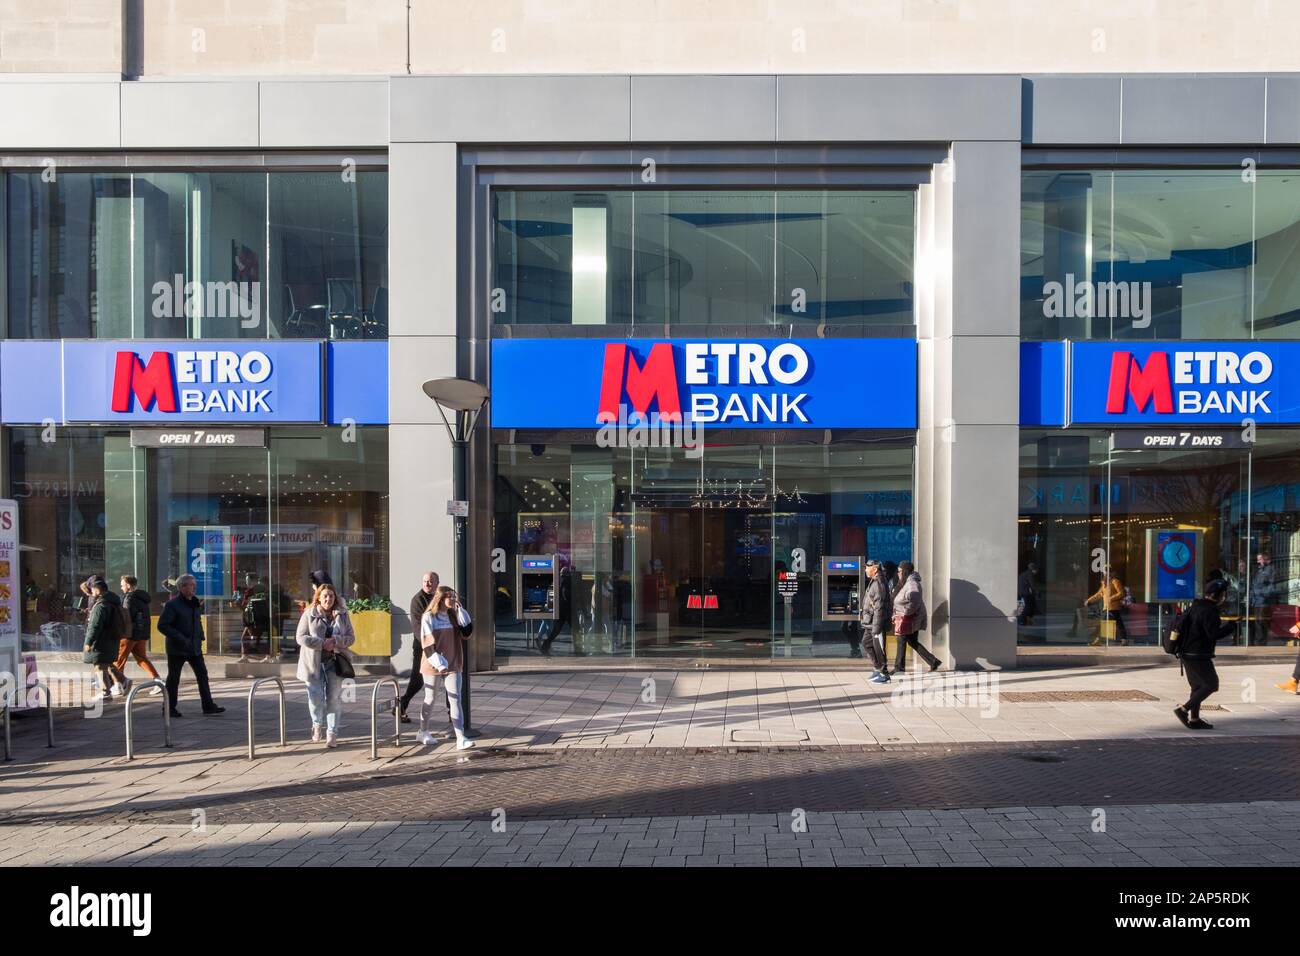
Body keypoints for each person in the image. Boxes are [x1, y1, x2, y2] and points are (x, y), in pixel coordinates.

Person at [295, 582, 356, 748]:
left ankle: (332, 733)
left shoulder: (342, 614)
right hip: (313, 663)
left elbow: (351, 637)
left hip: (335, 662)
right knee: (315, 698)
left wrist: (337, 641)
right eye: (325, 596)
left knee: (333, 699)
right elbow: (300, 638)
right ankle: (316, 724)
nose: (328, 598)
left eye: (331, 595)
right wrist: (322, 643)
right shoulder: (309, 614)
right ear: (319, 598)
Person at [157, 574, 225, 718]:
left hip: (194, 647)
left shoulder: (194, 603)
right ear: (181, 587)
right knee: (173, 679)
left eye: (194, 585)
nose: (193, 588)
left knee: (202, 675)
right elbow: (163, 626)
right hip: (177, 649)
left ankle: (208, 706)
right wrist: (180, 638)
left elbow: (197, 621)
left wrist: (201, 635)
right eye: (189, 585)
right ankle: (169, 708)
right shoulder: (172, 605)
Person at [1172, 579, 1235, 730]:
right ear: (1218, 596)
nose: (1224, 597)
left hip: (1186, 652)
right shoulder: (1210, 610)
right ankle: (1183, 710)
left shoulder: (1196, 606)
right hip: (1198, 654)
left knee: (1197, 686)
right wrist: (1231, 627)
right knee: (1211, 684)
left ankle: (1194, 719)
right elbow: (1213, 634)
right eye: (1223, 594)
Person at [417, 585, 475, 750]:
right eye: (450, 597)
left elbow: (467, 633)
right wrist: (439, 663)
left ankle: (460, 737)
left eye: (455, 596)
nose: (454, 599)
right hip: (432, 663)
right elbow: (427, 644)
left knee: (455, 699)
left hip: (453, 662)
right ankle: (423, 731)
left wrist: (461, 613)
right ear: (441, 599)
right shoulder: (428, 617)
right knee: (430, 698)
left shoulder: (453, 615)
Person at [396, 571, 439, 722]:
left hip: (440, 645)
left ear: (437, 583)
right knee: (417, 680)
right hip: (423, 646)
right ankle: (401, 705)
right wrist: (430, 645)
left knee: (449, 679)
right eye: (425, 581)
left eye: (430, 581)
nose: (427, 584)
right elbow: (418, 627)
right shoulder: (418, 600)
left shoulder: (438, 598)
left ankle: (451, 714)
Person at [82, 576, 130, 702]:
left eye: (92, 588)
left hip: (101, 641)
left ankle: (105, 692)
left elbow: (95, 626)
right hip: (112, 638)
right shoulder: (113, 601)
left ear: (97, 588)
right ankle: (124, 681)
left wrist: (88, 642)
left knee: (99, 666)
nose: (91, 592)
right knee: (107, 663)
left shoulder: (101, 605)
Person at [114, 576, 162, 696]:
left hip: (129, 635)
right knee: (141, 659)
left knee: (118, 660)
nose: (121, 587)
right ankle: (158, 681)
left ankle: (117, 685)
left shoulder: (129, 599)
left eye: (122, 585)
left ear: (128, 585)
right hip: (141, 634)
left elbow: (125, 618)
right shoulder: (142, 598)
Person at [893, 561, 941, 673]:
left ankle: (899, 668)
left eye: (899, 571)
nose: (898, 573)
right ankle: (933, 661)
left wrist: (905, 612)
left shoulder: (912, 584)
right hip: (910, 618)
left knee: (901, 640)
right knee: (912, 641)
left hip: (908, 619)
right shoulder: (908, 582)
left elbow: (914, 601)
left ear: (905, 571)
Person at [861, 559, 894, 683]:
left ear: (875, 569)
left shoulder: (879, 583)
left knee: (879, 648)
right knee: (866, 643)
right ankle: (877, 669)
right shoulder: (874, 581)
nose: (865, 569)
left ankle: (884, 675)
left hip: (876, 623)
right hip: (871, 622)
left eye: (867, 567)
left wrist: (877, 627)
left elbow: (880, 607)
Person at [1083, 567, 1129, 646]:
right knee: (1118, 623)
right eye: (1105, 572)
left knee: (1107, 623)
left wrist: (1111, 598)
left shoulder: (1115, 581)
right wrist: (1089, 600)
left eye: (1108, 572)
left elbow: (1121, 593)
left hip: (1113, 607)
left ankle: (1098, 640)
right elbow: (1098, 594)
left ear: (1112, 573)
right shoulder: (1104, 583)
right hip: (1107, 607)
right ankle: (1124, 640)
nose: (1106, 574)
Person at [537, 563, 572, 657]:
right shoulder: (566, 581)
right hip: (567, 610)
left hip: (559, 609)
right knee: (575, 629)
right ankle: (580, 647)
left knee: (556, 630)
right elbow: (566, 594)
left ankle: (545, 645)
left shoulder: (557, 580)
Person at [1249, 552, 1278, 646]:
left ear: (1265, 559)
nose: (1258, 561)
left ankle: (1261, 641)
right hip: (1256, 600)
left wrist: (1263, 594)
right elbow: (1254, 584)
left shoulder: (1270, 569)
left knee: (1261, 620)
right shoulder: (1259, 570)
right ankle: (1259, 641)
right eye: (1257, 559)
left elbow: (1271, 584)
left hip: (1263, 599)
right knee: (1257, 621)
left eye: (1260, 559)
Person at [1017, 561, 1038, 626]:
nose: (1037, 572)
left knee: (1022, 606)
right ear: (1034, 569)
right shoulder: (1030, 574)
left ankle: (1023, 621)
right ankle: (1023, 621)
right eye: (1037, 570)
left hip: (1020, 592)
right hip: (1025, 593)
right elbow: (1032, 585)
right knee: (1027, 607)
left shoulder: (1024, 573)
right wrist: (1037, 592)